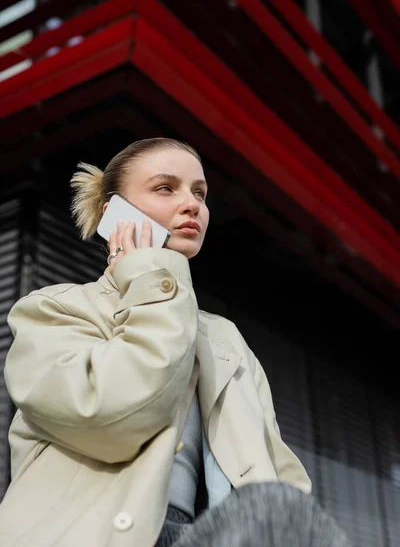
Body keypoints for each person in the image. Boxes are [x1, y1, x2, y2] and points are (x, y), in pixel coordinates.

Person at [0, 138, 350, 547]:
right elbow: (118, 417)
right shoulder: (53, 310)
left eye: (199, 193)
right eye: (166, 188)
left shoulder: (226, 338)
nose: (193, 205)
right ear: (114, 213)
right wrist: (149, 276)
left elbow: (277, 471)